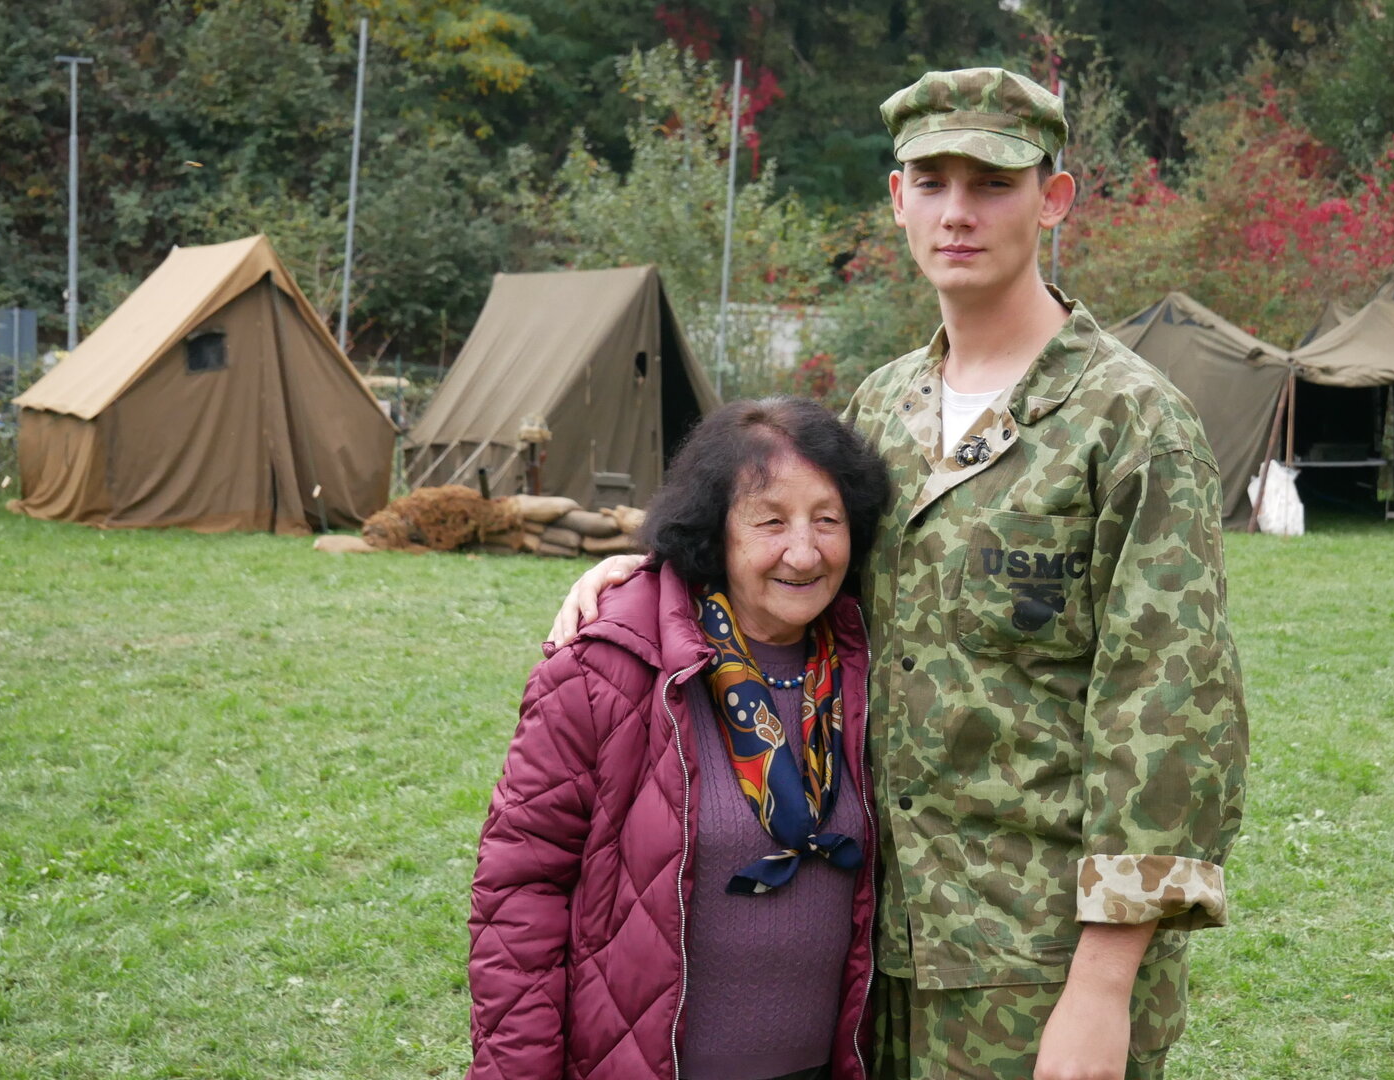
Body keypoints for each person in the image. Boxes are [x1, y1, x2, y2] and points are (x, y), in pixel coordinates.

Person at [551, 68, 1247, 1080]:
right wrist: (655, 575)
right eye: (931, 182)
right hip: (869, 942)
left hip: (1035, 963)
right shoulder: (882, 409)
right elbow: (795, 579)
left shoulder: (1129, 423)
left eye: (992, 183)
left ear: (1052, 200)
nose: (957, 212)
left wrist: (1101, 989)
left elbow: (1169, 713)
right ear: (896, 200)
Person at [467, 398, 893, 1080]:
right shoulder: (607, 667)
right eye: (770, 521)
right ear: (712, 529)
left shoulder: (871, 664)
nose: (804, 551)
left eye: (827, 520)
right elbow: (518, 895)